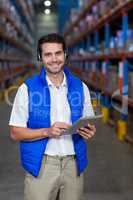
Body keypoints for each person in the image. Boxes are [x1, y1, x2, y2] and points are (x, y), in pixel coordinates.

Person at [9, 33, 96, 200]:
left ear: (65, 54)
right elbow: (15, 132)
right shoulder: (27, 89)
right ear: (40, 57)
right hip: (42, 166)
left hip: (73, 165)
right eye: (48, 54)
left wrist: (89, 131)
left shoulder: (80, 87)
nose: (54, 59)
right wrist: (46, 132)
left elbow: (88, 121)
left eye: (58, 53)